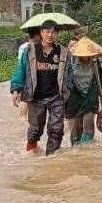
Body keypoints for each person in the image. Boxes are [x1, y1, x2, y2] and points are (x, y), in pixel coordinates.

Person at [10, 20, 71, 155]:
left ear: (57, 34)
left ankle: (51, 160)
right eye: (47, 32)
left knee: (56, 130)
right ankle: (31, 153)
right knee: (35, 129)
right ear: (41, 33)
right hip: (36, 96)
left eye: (53, 32)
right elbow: (21, 70)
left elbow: (69, 75)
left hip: (57, 97)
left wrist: (69, 93)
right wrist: (16, 89)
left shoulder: (63, 52)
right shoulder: (30, 51)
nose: (50, 35)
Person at [65, 37, 102, 146]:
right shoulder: (70, 62)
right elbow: (64, 79)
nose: (85, 56)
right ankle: (77, 154)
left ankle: (87, 153)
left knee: (88, 128)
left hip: (90, 99)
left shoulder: (95, 62)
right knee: (76, 132)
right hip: (74, 100)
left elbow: (100, 78)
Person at [16, 29, 41, 119]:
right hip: (31, 72)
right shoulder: (33, 46)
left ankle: (23, 116)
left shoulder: (22, 46)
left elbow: (19, 61)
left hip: (24, 71)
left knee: (25, 95)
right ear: (36, 36)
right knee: (29, 95)